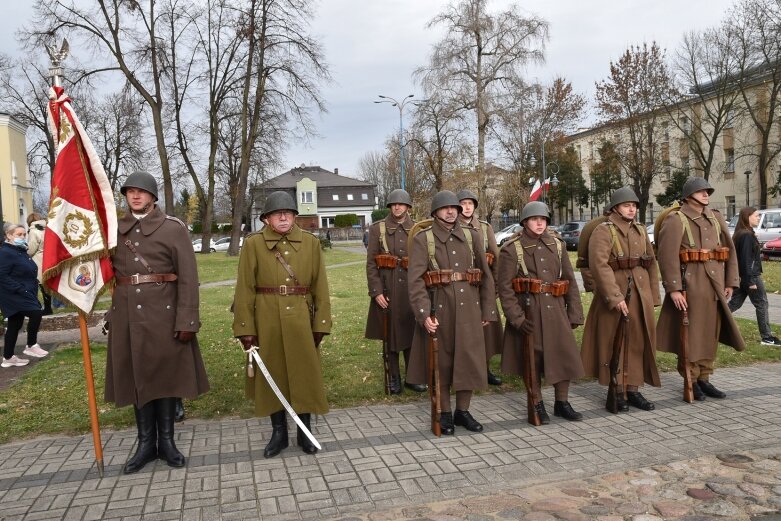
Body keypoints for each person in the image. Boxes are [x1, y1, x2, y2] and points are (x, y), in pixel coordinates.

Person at [104, 171, 210, 474]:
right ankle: (145, 444)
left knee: (165, 380)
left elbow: (189, 278)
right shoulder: (115, 230)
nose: (135, 196)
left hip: (164, 316)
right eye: (130, 192)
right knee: (138, 379)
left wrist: (188, 318)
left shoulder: (173, 228)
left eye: (142, 192)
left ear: (153, 196)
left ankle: (167, 442)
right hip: (127, 317)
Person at [233, 191, 331, 458]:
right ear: (266, 219)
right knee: (272, 374)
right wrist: (245, 328)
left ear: (295, 216)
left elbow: (320, 284)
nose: (284, 216)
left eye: (288, 213)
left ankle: (304, 431)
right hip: (266, 318)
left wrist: (321, 321)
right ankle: (279, 433)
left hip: (301, 317)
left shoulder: (310, 243)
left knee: (304, 373)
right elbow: (244, 288)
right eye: (278, 214)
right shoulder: (253, 245)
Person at [407, 190, 498, 434]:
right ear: (435, 212)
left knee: (468, 359)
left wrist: (488, 310)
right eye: (445, 208)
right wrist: (424, 314)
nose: (450, 211)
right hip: (440, 309)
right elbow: (415, 281)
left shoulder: (471, 235)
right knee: (443, 362)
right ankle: (445, 412)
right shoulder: (423, 239)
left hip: (469, 308)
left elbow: (486, 276)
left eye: (454, 208)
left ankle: (463, 411)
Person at [656, 176, 745, 400]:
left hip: (715, 285)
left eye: (707, 191)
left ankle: (705, 377)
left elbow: (729, 251)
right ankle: (691, 379)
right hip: (691, 285)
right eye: (701, 191)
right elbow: (667, 258)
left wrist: (731, 282)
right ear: (688, 196)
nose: (706, 194)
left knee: (710, 332)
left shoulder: (715, 218)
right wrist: (674, 289)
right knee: (691, 334)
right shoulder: (676, 219)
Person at [497, 202, 585, 424]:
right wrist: (516, 318)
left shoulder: (557, 244)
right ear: (525, 222)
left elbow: (569, 280)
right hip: (529, 311)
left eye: (543, 219)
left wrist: (574, 312)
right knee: (532, 360)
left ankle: (562, 402)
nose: (539, 223)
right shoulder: (511, 248)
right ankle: (536, 403)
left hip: (556, 309)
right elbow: (505, 289)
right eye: (534, 219)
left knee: (563, 355)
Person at [580, 187, 661, 413]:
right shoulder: (604, 231)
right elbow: (599, 265)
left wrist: (653, 296)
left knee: (638, 341)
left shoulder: (641, 230)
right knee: (615, 343)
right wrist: (614, 296)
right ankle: (617, 391)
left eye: (634, 206)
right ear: (616, 207)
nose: (632, 209)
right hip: (616, 294)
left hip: (640, 295)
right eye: (627, 205)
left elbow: (651, 263)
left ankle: (633, 389)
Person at [364, 189, 425, 394]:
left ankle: (412, 375)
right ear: (389, 206)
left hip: (411, 289)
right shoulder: (377, 229)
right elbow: (371, 263)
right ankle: (393, 376)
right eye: (394, 204)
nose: (397, 207)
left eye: (401, 204)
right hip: (387, 289)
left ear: (408, 207)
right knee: (389, 334)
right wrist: (376, 291)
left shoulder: (418, 229)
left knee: (412, 332)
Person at [457, 189, 503, 386]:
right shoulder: (453, 227)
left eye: (470, 203)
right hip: (463, 285)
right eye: (463, 203)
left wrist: (496, 286)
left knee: (487, 330)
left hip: (483, 284)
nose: (467, 207)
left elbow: (495, 257)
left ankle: (485, 368)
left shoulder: (484, 228)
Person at [728, 207, 781, 345]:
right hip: (751, 276)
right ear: (748, 217)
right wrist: (751, 281)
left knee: (734, 304)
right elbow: (746, 259)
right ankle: (767, 337)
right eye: (756, 216)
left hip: (743, 276)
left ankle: (711, 324)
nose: (758, 218)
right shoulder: (746, 235)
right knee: (762, 304)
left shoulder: (744, 233)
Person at [0, 222, 48, 367]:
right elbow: (1, 274)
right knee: (36, 313)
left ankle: (8, 358)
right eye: (18, 235)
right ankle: (31, 345)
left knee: (15, 323)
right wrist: (20, 289)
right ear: (9, 236)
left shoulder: (19, 250)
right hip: (14, 293)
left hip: (23, 291)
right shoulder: (5, 252)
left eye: (24, 234)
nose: (22, 237)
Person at [26, 213, 52, 315]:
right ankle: (48, 307)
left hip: (38, 259)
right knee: (46, 285)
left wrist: (25, 251)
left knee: (37, 284)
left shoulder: (33, 231)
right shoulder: (47, 229)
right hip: (48, 258)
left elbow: (31, 249)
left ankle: (40, 308)